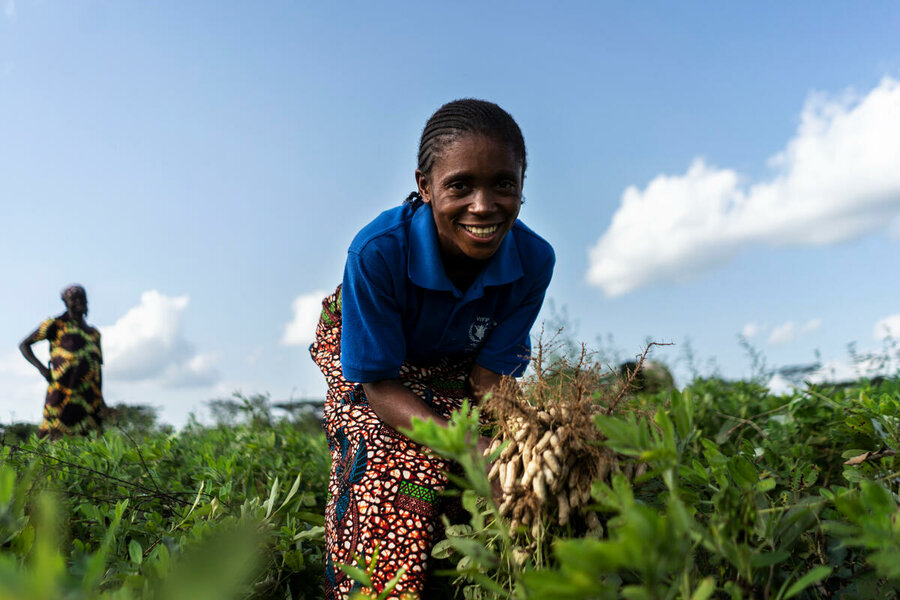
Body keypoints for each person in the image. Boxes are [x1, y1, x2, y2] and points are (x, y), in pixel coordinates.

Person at [309, 99, 555, 599]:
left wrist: (523, 443)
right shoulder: (377, 251)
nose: (483, 206)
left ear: (522, 186)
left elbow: (489, 377)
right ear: (425, 187)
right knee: (388, 463)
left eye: (503, 184)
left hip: (455, 360)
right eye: (460, 185)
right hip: (375, 364)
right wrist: (469, 447)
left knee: (499, 473)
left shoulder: (533, 260)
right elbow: (378, 382)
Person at [19, 285, 106, 439]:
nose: (79, 301)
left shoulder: (94, 334)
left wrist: (101, 399)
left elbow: (98, 368)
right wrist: (42, 369)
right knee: (54, 436)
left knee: (91, 440)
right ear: (66, 302)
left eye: (82, 298)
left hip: (89, 397)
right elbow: (24, 345)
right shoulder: (56, 324)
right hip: (62, 393)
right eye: (74, 299)